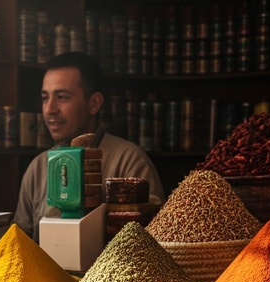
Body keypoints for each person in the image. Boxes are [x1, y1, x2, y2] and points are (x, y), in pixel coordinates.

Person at [14, 52, 164, 241]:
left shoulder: (129, 161)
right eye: (45, 98)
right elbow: (20, 243)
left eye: (61, 97)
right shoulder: (37, 168)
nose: (50, 109)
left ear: (94, 104)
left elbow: (152, 243)